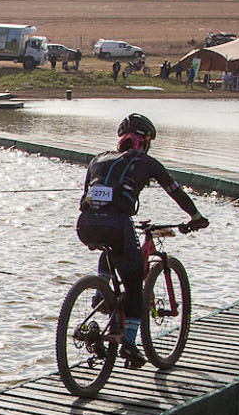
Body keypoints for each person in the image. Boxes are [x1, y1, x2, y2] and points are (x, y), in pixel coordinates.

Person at [76, 115, 209, 367]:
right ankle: (129, 344)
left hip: (86, 225)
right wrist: (195, 217)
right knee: (135, 283)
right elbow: (175, 191)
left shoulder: (98, 159)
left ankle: (99, 293)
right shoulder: (146, 162)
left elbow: (86, 196)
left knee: (111, 248)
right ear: (144, 141)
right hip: (117, 224)